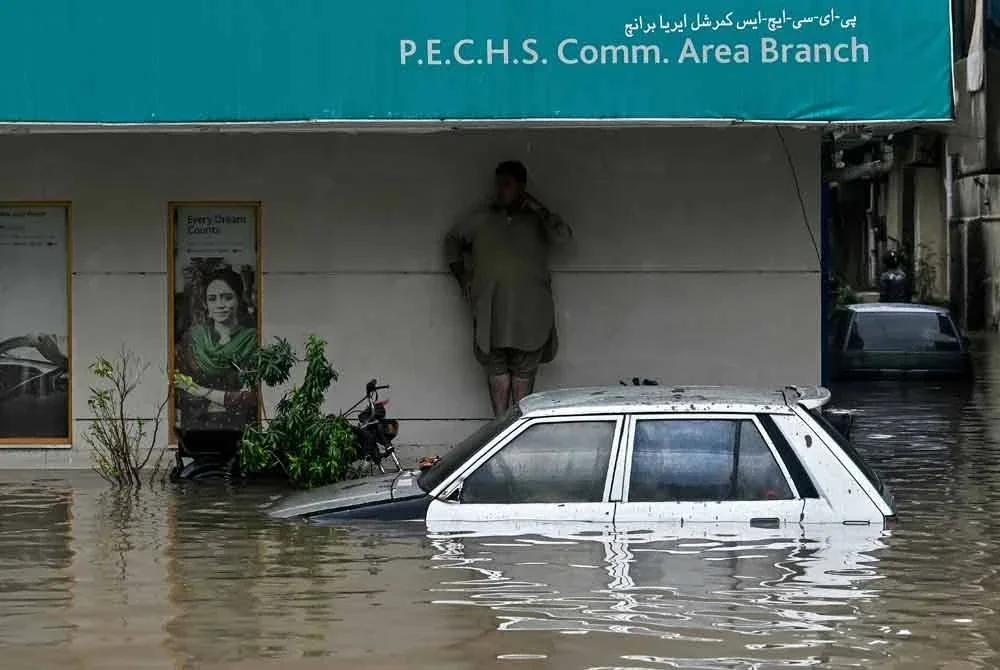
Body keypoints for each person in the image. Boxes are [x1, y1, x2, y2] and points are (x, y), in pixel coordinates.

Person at [445, 160, 572, 416]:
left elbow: (563, 236)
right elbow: (451, 241)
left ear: (522, 187)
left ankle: (519, 433)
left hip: (530, 316)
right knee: (497, 375)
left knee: (523, 379)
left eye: (508, 185)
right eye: (498, 184)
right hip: (490, 313)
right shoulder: (482, 218)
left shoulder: (538, 221)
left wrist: (540, 209)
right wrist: (463, 276)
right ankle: (498, 434)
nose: (501, 190)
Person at [175, 267, 258, 432]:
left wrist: (202, 391)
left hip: (242, 431)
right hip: (195, 431)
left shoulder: (252, 341)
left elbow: (251, 397)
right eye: (212, 299)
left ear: (239, 299)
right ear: (205, 303)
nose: (219, 305)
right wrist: (227, 398)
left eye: (227, 297)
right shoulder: (193, 339)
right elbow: (180, 387)